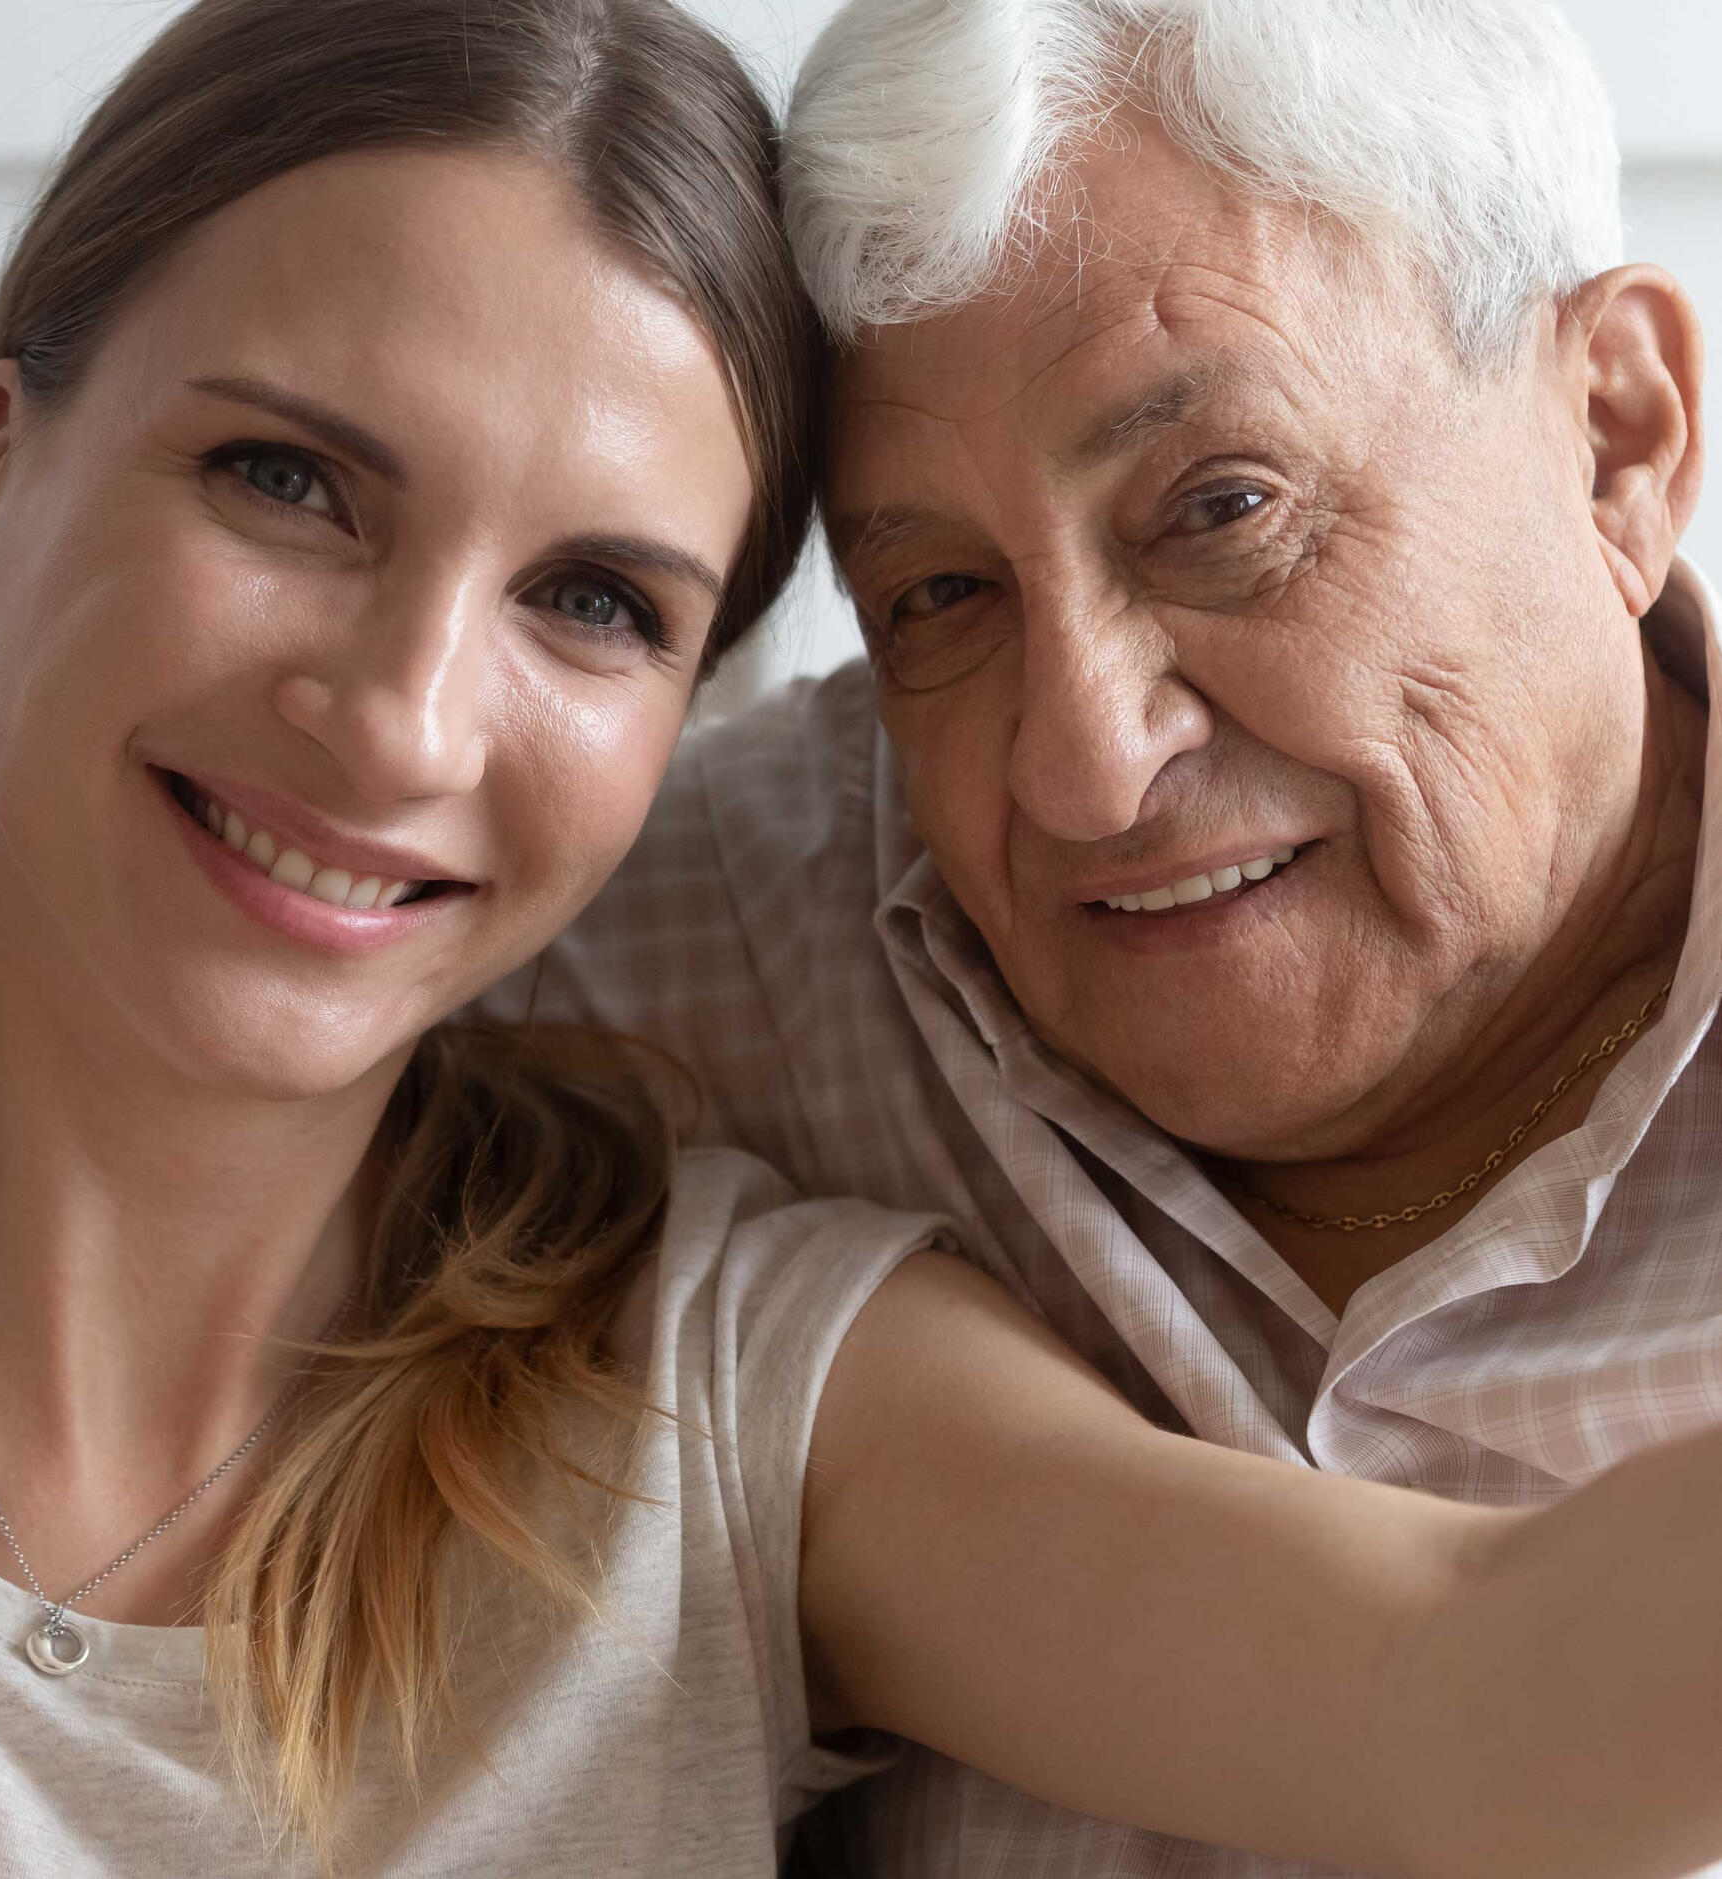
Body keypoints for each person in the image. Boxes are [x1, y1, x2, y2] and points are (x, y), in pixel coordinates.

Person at [0, 0, 1722, 1875]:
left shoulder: (719, 1394)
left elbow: (1481, 1692)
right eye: (287, 480)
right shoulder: (721, 909)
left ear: (1621, 438)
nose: (409, 730)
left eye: (591, 598)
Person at [494, 0, 1722, 1873]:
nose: (1083, 765)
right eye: (939, 594)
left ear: (1618, 437)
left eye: (1224, 508)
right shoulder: (681, 938)